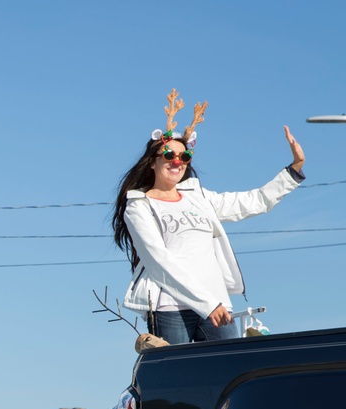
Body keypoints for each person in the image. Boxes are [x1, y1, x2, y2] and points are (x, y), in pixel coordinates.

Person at [112, 89, 305, 345]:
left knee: (227, 371)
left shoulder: (198, 198)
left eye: (184, 156)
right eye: (169, 155)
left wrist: (293, 170)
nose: (177, 162)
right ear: (152, 162)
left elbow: (251, 202)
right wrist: (207, 303)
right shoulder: (139, 206)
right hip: (170, 306)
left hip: (217, 304)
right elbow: (159, 261)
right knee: (179, 377)